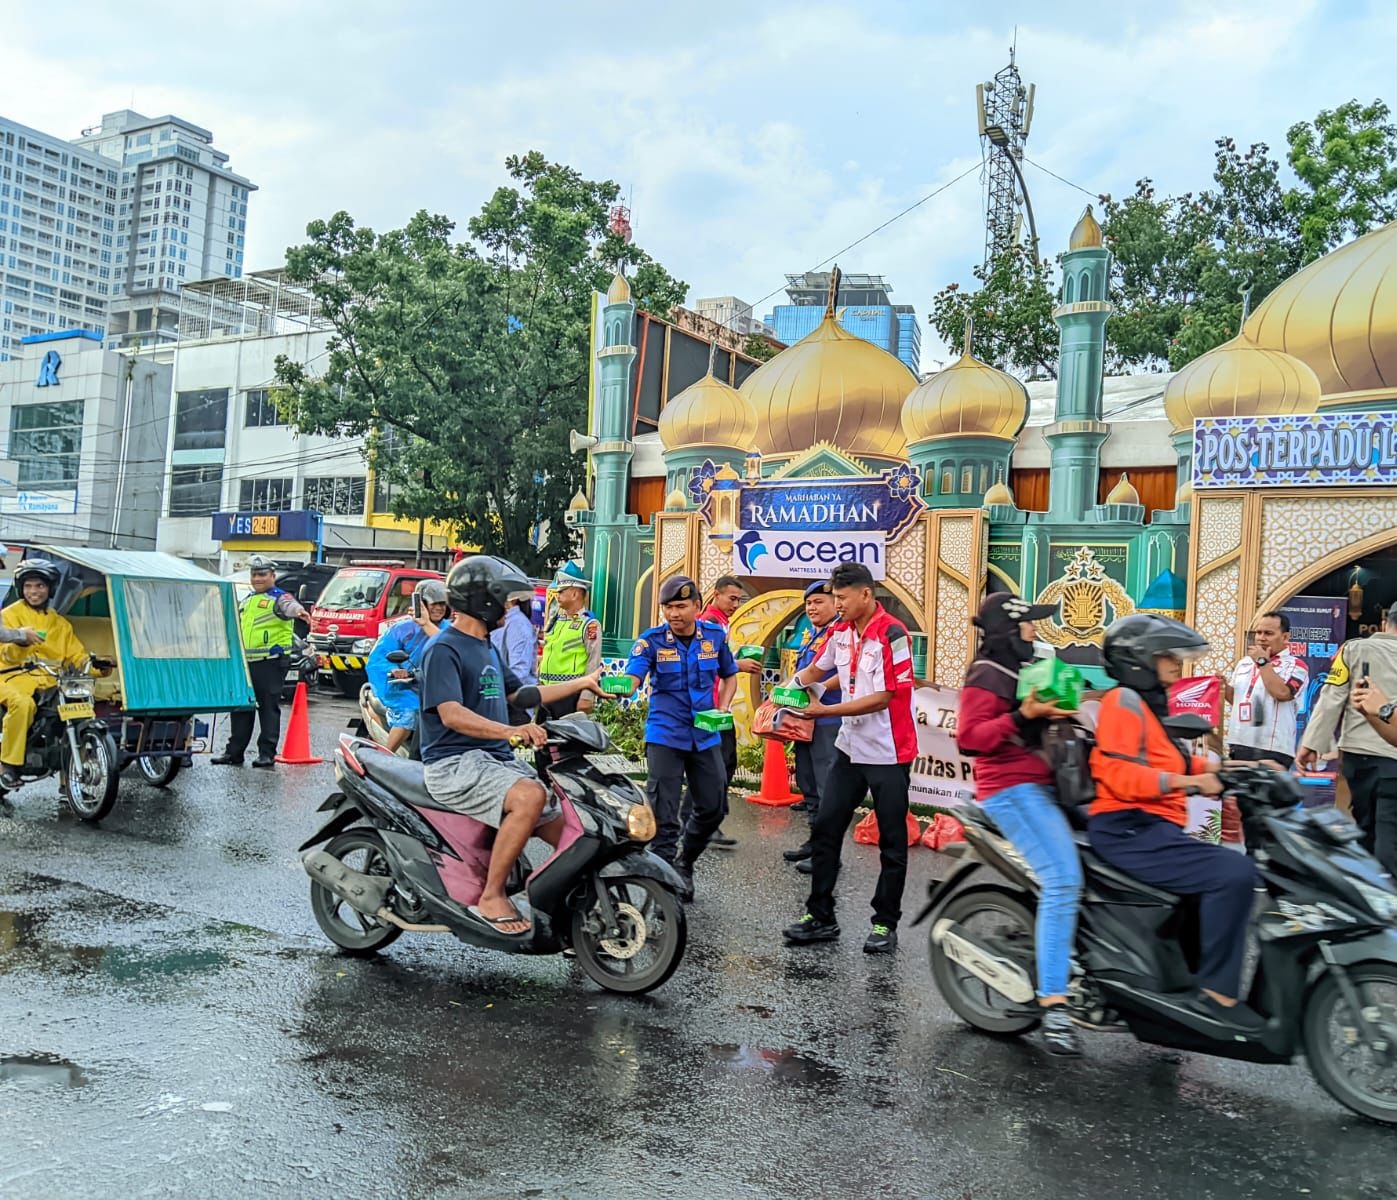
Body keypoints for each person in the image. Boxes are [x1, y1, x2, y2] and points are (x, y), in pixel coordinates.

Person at [1087, 614, 1265, 1031]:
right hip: (1126, 826)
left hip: (1152, 826)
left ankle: (1180, 983)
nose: (1175, 664)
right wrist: (1189, 781)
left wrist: (1244, 770)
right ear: (1139, 659)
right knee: (1234, 872)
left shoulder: (1150, 705)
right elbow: (1119, 775)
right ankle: (1217, 996)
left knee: (1212, 879)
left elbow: (1180, 760)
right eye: (1166, 656)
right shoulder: (1122, 702)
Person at [420, 556, 602, 935]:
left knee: (567, 819)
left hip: (493, 761)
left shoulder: (486, 647)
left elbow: (521, 693)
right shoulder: (444, 649)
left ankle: (572, 900)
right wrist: (508, 732)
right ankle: (491, 896)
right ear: (482, 600)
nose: (510, 608)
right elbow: (451, 714)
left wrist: (583, 682)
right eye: (505, 600)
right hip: (454, 762)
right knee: (530, 797)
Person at [956, 592, 1084, 1056]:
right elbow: (969, 738)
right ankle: (1054, 1003)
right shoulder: (987, 673)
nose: (1036, 631)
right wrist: (1022, 715)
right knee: (1063, 879)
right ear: (1009, 630)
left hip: (1049, 786)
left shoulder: (1026, 671)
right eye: (1029, 624)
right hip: (1010, 790)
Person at [782, 561, 918, 955]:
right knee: (826, 828)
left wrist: (825, 711)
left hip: (889, 752)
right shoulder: (840, 631)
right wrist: (791, 692)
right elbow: (823, 669)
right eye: (833, 597)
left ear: (866, 595)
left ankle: (884, 924)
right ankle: (820, 917)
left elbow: (886, 696)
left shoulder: (894, 634)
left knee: (892, 841)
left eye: (841, 597)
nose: (836, 604)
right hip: (850, 747)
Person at [621, 575, 738, 897]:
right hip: (665, 734)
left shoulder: (713, 636)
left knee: (713, 806)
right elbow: (634, 674)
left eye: (681, 606)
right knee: (665, 813)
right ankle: (664, 881)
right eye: (668, 607)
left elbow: (730, 676)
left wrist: (723, 707)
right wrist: (622, 686)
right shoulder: (651, 640)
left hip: (705, 733)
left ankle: (686, 861)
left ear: (698, 607)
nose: (674, 613)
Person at [1298, 602, 1397, 879]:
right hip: (1393, 760)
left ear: (1384, 622)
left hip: (1359, 756)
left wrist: (1311, 743)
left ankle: (1369, 891)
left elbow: (1331, 698)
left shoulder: (1353, 649)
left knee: (1364, 826)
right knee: (1390, 832)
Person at [0, 558, 109, 789]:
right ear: (21, 589)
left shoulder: (60, 624)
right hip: (9, 677)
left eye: (39, 586)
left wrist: (99, 666)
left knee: (77, 708)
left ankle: (67, 777)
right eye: (28, 586)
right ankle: (7, 765)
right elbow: (6, 653)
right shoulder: (9, 615)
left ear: (50, 589)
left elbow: (76, 655)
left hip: (51, 681)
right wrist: (20, 641)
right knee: (22, 705)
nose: (34, 591)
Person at [213, 554, 309, 768]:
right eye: (254, 574)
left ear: (272, 576)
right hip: (246, 663)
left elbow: (291, 607)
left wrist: (300, 612)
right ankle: (234, 753)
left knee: (267, 709)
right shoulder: (248, 599)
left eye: (262, 574)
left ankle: (267, 754)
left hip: (270, 662)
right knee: (240, 709)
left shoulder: (279, 597)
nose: (257, 578)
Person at [692, 575, 760, 849]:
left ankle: (705, 821)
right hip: (710, 707)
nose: (735, 604)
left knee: (723, 763)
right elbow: (706, 661)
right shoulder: (709, 623)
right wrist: (737, 664)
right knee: (717, 766)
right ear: (716, 595)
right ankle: (704, 823)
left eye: (739, 599)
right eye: (731, 598)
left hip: (720, 705)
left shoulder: (721, 623)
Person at [784, 580, 843, 874]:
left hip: (829, 719)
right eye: (809, 603)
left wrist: (816, 689)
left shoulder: (842, 634)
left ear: (836, 603)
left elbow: (846, 674)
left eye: (819, 602)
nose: (812, 608)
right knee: (808, 784)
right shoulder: (812, 634)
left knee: (826, 786)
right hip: (805, 719)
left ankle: (828, 853)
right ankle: (814, 842)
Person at [363, 579, 448, 754]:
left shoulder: (450, 630)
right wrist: (393, 670)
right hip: (404, 688)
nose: (439, 608)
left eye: (442, 604)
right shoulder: (402, 629)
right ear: (421, 604)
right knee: (409, 713)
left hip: (436, 688)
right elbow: (377, 659)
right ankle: (385, 756)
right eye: (434, 604)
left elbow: (454, 650)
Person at [1222, 611, 1308, 768]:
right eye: (1258, 632)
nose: (1261, 638)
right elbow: (1236, 699)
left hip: (1272, 747)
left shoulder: (1296, 665)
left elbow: (1282, 693)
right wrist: (1223, 687)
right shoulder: (1245, 663)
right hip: (1240, 742)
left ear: (1285, 637)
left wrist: (1262, 661)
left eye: (1268, 633)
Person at [538, 562, 602, 719]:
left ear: (575, 594)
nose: (557, 595)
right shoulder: (555, 621)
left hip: (570, 695)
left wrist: (587, 696)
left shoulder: (589, 625)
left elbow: (593, 663)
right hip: (546, 694)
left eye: (561, 591)